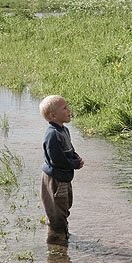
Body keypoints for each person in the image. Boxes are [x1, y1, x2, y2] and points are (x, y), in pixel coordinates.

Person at [40, 95, 84, 246]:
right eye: (64, 108)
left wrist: (75, 157)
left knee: (64, 205)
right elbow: (57, 160)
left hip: (64, 177)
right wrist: (74, 164)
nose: (69, 110)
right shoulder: (52, 134)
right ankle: (56, 243)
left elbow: (69, 150)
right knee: (56, 210)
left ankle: (61, 233)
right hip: (56, 179)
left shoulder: (63, 130)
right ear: (53, 115)